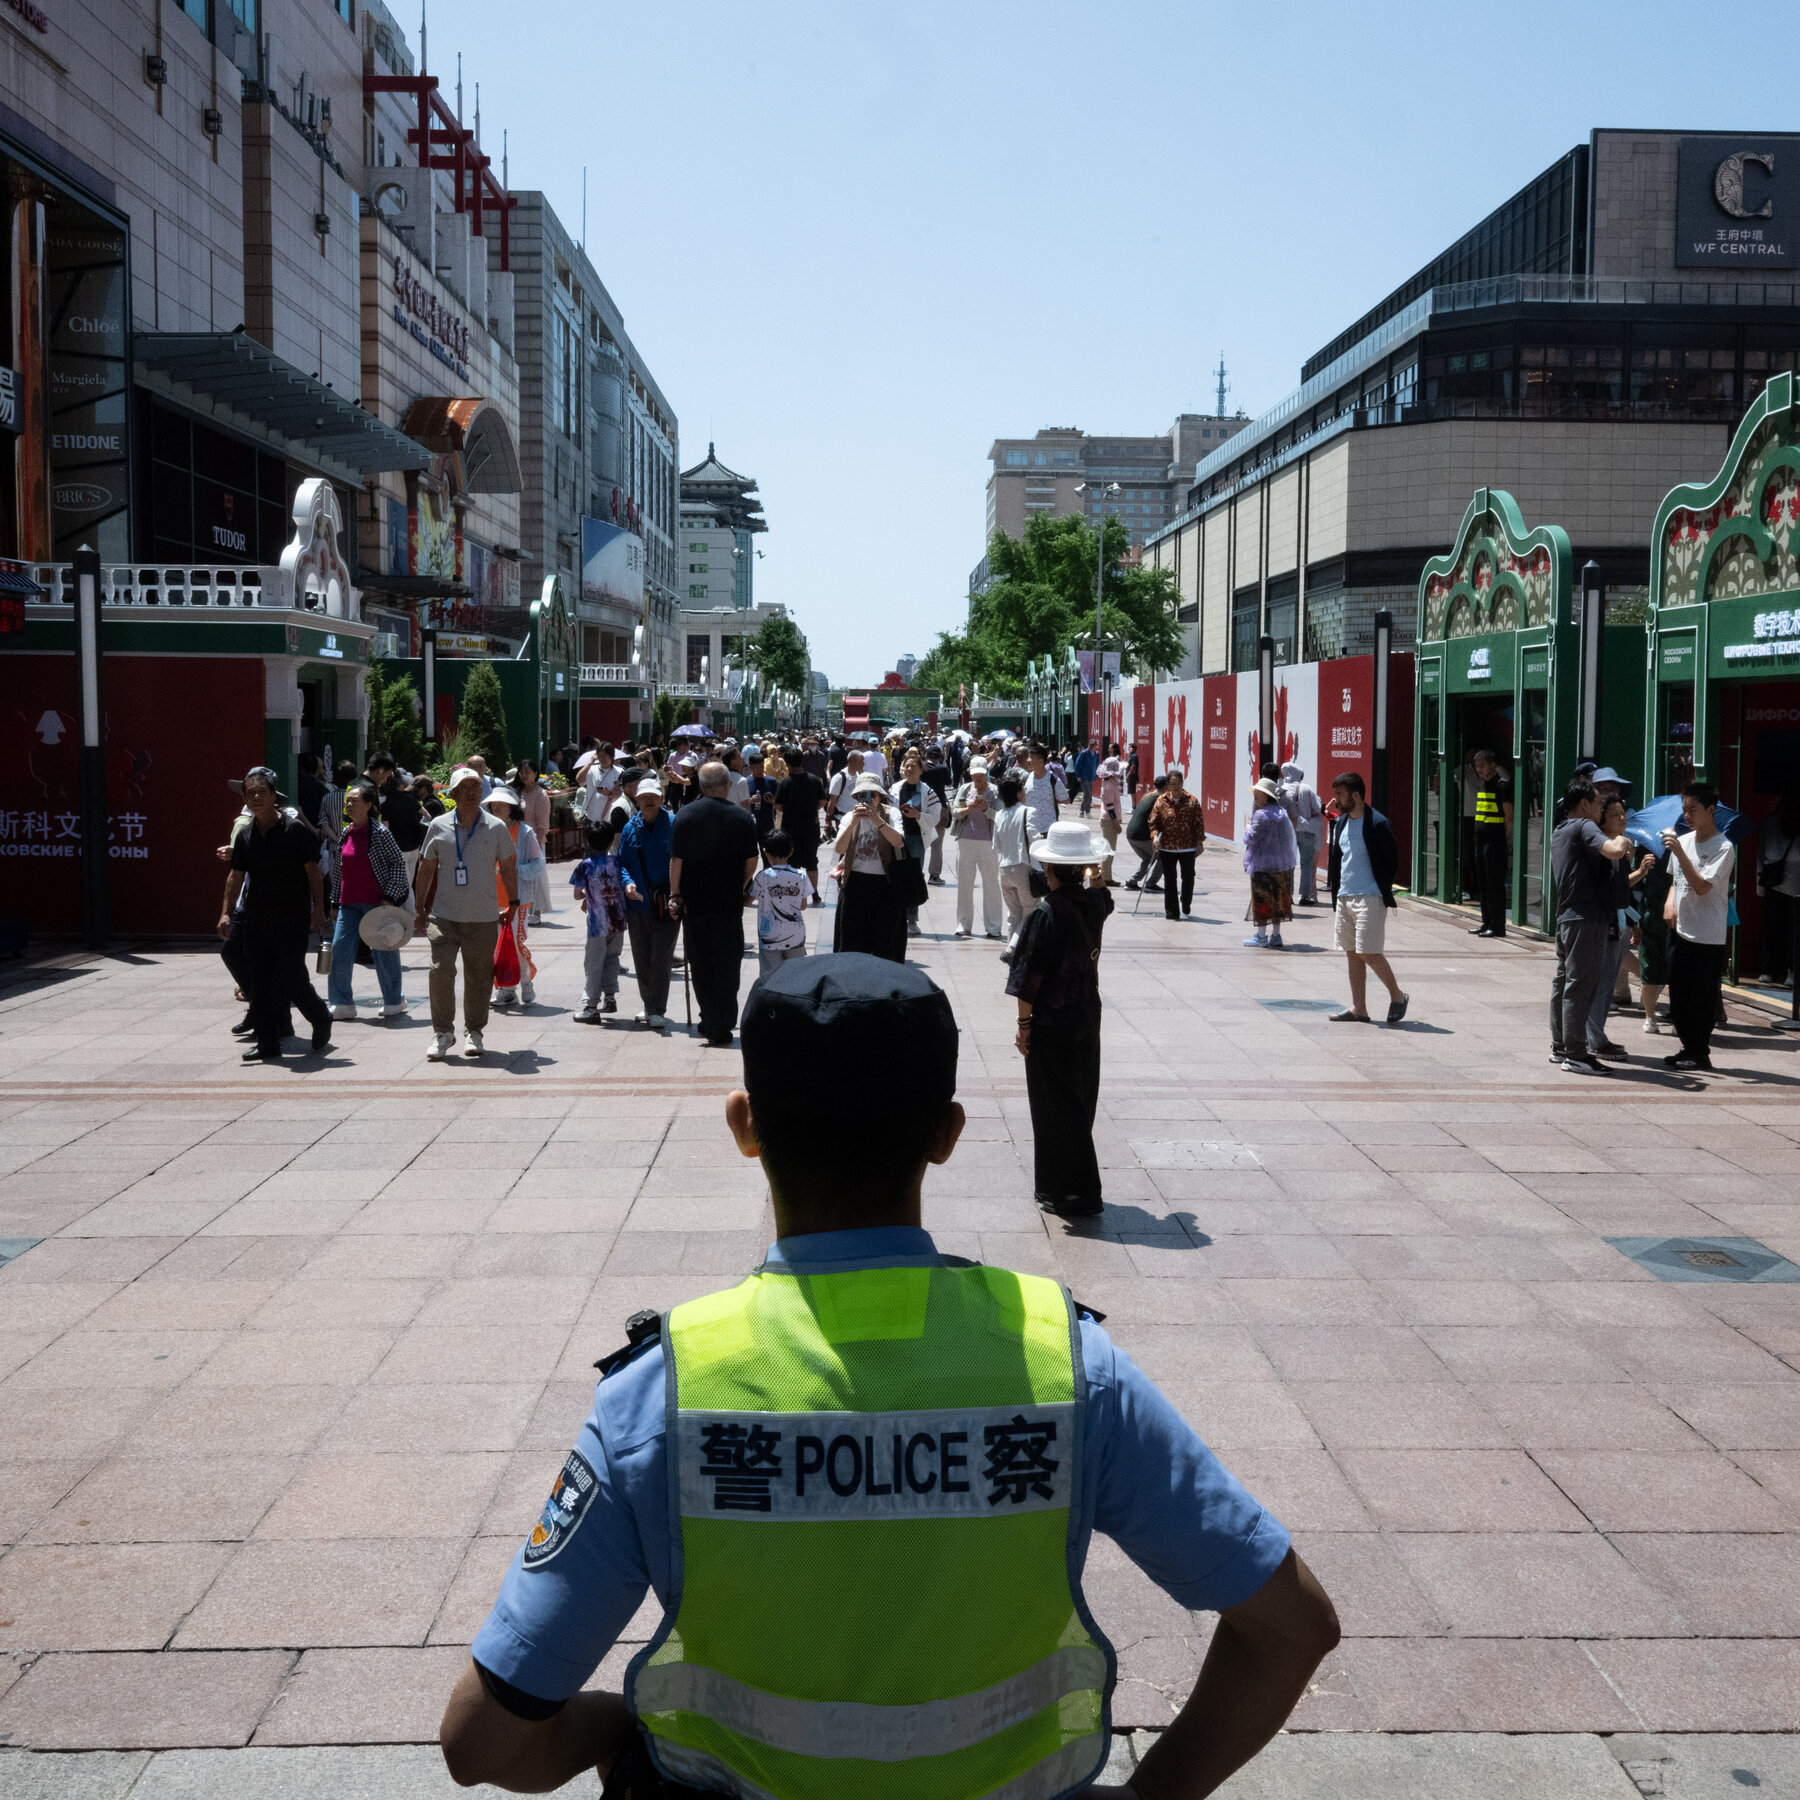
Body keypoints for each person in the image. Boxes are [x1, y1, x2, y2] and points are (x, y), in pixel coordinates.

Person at [442, 953, 1339, 1800]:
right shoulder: (1067, 1366)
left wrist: (609, 1729)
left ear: (744, 1125)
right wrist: (1153, 1794)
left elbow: (485, 1743)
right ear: (946, 1135)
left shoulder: (662, 1392)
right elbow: (1292, 1628)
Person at [1010, 819, 1114, 1219]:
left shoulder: (1045, 914)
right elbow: (1104, 894)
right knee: (1079, 1099)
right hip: (1087, 1015)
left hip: (1052, 1022)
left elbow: (1026, 980)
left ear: (1049, 869)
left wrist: (1023, 1026)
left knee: (1055, 1106)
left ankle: (1076, 1190)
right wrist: (1096, 871)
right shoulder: (1093, 904)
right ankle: (1060, 1186)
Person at [218, 766, 333, 1063]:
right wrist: (226, 913)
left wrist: (318, 910)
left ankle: (320, 1016)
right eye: (250, 793)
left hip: (292, 919)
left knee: (293, 978)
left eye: (261, 792)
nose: (255, 798)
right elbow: (236, 876)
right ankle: (268, 1043)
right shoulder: (245, 835)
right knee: (260, 981)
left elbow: (313, 874)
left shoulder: (294, 830)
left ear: (273, 797)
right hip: (257, 919)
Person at [415, 765, 519, 1062]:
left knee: (479, 977)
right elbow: (426, 867)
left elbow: (509, 865)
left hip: (483, 916)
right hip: (444, 915)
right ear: (454, 794)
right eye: (465, 788)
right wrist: (420, 907)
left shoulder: (496, 827)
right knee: (440, 970)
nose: (472, 792)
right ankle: (442, 1032)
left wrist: (513, 902)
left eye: (476, 786)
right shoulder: (438, 825)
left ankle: (474, 1031)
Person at [670, 762, 762, 1048]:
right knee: (727, 962)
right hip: (728, 903)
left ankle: (709, 1017)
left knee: (700, 962)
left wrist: (675, 893)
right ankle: (721, 1020)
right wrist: (742, 885)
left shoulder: (684, 816)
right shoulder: (742, 818)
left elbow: (676, 861)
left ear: (700, 785)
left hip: (694, 904)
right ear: (726, 785)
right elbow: (752, 860)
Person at [1547, 776, 1632, 1074]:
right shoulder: (1584, 826)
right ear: (1584, 804)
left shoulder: (1559, 830)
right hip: (1586, 920)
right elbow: (1613, 851)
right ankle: (1576, 1054)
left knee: (1563, 983)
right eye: (1597, 803)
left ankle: (1560, 1048)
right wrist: (1623, 840)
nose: (1600, 809)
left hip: (1566, 918)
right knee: (1580, 986)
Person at [1662, 780, 1736, 1072]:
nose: (1687, 815)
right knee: (1678, 998)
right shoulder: (1685, 840)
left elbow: (1703, 886)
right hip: (1680, 930)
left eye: (1693, 809)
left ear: (1711, 810)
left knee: (1701, 999)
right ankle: (1687, 1048)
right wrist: (1669, 903)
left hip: (1707, 935)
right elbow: (1674, 880)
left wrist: (1680, 853)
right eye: (1684, 810)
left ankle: (1699, 1052)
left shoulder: (1723, 847)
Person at [1327, 771, 1409, 1026]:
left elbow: (1391, 859)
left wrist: (1380, 886)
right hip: (1345, 896)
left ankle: (1398, 996)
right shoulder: (1340, 823)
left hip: (1370, 897)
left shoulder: (1377, 823)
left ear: (1356, 795)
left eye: (1340, 794)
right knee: (1352, 953)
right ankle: (1359, 1008)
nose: (1336, 799)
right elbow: (1339, 860)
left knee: (1369, 952)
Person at [326, 780, 411, 1022]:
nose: (349, 805)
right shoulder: (347, 832)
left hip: (377, 904)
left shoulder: (381, 833)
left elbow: (397, 864)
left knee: (384, 950)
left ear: (369, 805)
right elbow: (340, 871)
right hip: (349, 904)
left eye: (354, 801)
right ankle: (342, 1003)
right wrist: (334, 902)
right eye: (347, 801)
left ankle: (394, 999)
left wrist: (389, 897)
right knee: (340, 949)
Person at [1583, 795, 1656, 1061]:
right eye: (1616, 816)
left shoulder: (1621, 851)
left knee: (1607, 981)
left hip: (1621, 922)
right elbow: (1613, 889)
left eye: (1624, 814)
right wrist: (1638, 871)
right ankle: (1594, 1040)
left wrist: (1634, 922)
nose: (1623, 819)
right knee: (1600, 984)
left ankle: (1596, 1037)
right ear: (1602, 823)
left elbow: (1621, 890)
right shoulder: (1604, 850)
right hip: (1606, 924)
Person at [618, 781, 679, 1031]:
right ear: (636, 800)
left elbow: (683, 860)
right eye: (644, 797)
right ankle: (649, 1003)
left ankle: (658, 1009)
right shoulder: (630, 828)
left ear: (662, 798)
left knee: (661, 958)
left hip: (667, 904)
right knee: (642, 958)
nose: (649, 801)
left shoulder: (675, 824)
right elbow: (621, 863)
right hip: (638, 905)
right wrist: (627, 883)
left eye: (653, 796)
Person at [831, 773, 907, 962]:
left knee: (886, 946)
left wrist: (877, 821)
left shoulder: (891, 814)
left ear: (879, 796)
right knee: (851, 945)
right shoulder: (850, 817)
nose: (868, 800)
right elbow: (839, 848)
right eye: (863, 795)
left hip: (885, 885)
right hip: (855, 884)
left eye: (872, 795)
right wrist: (854, 823)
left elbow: (899, 842)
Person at [483, 787, 543, 1010]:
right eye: (493, 804)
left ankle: (526, 981)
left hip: (517, 898)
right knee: (496, 947)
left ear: (512, 807)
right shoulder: (486, 830)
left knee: (516, 944)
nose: (496, 807)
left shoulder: (525, 832)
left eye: (502, 803)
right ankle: (505, 989)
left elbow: (538, 863)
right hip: (490, 897)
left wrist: (516, 871)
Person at [570, 819, 628, 1023]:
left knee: (594, 963)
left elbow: (578, 894)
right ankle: (610, 997)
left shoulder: (585, 866)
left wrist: (589, 894)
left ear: (588, 841)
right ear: (611, 840)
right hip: (618, 920)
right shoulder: (617, 861)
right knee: (613, 959)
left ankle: (591, 1005)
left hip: (598, 924)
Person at [949, 755, 1003, 940]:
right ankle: (963, 925)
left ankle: (994, 926)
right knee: (964, 884)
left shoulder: (996, 792)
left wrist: (985, 809)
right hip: (965, 841)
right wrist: (966, 809)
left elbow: (1001, 817)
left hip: (989, 842)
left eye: (981, 775)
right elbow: (954, 812)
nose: (978, 779)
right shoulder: (964, 789)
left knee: (991, 885)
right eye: (975, 775)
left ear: (986, 773)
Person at [891, 748, 942, 939]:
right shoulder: (895, 789)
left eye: (914, 766)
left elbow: (936, 816)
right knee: (894, 873)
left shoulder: (928, 792)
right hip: (896, 837)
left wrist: (918, 815)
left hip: (916, 838)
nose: (909, 769)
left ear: (921, 770)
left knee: (913, 876)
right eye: (907, 766)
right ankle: (896, 915)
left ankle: (912, 919)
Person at [1242, 777, 1297, 949]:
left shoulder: (1261, 814)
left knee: (1262, 899)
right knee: (1278, 900)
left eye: (1258, 794)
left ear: (1266, 796)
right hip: (1281, 864)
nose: (1255, 797)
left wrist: (1247, 829)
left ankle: (1261, 936)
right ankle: (1276, 935)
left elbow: (1252, 838)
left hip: (1262, 864)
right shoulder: (1282, 813)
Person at [750, 830, 814, 977]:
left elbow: (750, 899)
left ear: (765, 852)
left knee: (770, 977)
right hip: (795, 936)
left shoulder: (763, 876)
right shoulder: (800, 875)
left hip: (769, 936)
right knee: (795, 976)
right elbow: (803, 905)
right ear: (791, 852)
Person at [1755, 781, 1800, 987]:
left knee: (1772, 928)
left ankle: (1767, 970)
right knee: (1794, 930)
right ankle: (1792, 971)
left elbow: (1762, 853)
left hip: (1774, 879)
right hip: (1796, 881)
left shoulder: (1770, 821)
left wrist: (1759, 884)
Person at [1149, 767, 1206, 920]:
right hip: (1168, 847)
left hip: (1187, 846)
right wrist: (1155, 837)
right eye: (1172, 784)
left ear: (1182, 783)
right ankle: (1172, 911)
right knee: (1170, 879)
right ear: (1167, 785)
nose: (1176, 787)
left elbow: (1198, 823)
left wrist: (1199, 842)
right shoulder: (1161, 801)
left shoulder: (1192, 800)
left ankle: (1186, 902)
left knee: (1188, 877)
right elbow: (1153, 822)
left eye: (1178, 783)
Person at [992, 770, 1037, 958]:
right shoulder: (1028, 812)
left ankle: (1014, 957)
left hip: (1004, 869)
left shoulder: (1000, 815)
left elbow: (996, 846)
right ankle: (1011, 949)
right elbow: (1034, 839)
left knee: (1014, 915)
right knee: (1030, 913)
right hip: (1023, 867)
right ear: (1019, 793)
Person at [1469, 750, 1514, 938]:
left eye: (1482, 765)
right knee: (1483, 885)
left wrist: (1502, 840)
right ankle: (1486, 922)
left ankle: (1497, 926)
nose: (1479, 769)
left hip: (1494, 842)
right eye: (1477, 766)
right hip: (1481, 840)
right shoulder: (1483, 785)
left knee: (1495, 886)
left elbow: (1509, 817)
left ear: (1492, 765)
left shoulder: (1502, 786)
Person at [368, 752, 427, 888]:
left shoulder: (386, 806)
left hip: (398, 850)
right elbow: (427, 816)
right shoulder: (410, 799)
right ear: (400, 786)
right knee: (409, 883)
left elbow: (385, 829)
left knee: (403, 887)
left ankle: (412, 910)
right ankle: (409, 909)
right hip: (414, 847)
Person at [772, 751, 825, 896]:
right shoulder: (814, 780)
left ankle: (795, 891)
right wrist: (812, 809)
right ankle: (814, 893)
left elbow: (778, 805)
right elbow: (822, 801)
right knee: (812, 861)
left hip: (791, 827)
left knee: (792, 861)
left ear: (787, 764)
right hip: (811, 826)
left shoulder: (786, 782)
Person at [1278, 762, 1324, 906]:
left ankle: (1288, 895)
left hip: (1288, 833)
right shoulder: (1306, 788)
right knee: (1306, 864)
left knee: (1289, 864)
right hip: (1307, 832)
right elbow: (1317, 808)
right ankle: (1305, 895)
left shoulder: (1280, 789)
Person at [514, 761, 554, 923]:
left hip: (534, 841)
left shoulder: (540, 795)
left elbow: (542, 824)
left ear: (536, 774)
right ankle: (522, 908)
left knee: (536, 876)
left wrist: (536, 846)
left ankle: (536, 911)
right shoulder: (516, 792)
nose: (524, 775)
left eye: (527, 772)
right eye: (521, 772)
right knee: (520, 876)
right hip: (517, 840)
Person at [1122, 774, 1167, 893]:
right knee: (1163, 856)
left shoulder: (1148, 794)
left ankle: (1132, 881)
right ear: (1166, 786)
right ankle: (1151, 884)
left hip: (1131, 833)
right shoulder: (1160, 798)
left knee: (1148, 857)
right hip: (1142, 835)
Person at [920, 741, 953, 883]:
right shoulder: (943, 768)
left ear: (926, 755)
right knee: (937, 844)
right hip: (940, 807)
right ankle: (934, 875)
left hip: (922, 808)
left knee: (919, 843)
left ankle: (917, 874)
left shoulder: (921, 768)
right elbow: (949, 783)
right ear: (940, 756)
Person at [1020, 743, 1066, 837]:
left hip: (1048, 830)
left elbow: (1065, 799)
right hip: (1030, 829)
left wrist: (1047, 801)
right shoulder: (1028, 777)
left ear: (1041, 761)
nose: (1028, 760)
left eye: (1031, 757)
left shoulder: (1053, 779)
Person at [1096, 741, 1126, 884]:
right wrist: (1117, 824)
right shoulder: (1109, 785)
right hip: (1109, 820)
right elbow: (1109, 806)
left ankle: (1106, 876)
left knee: (1110, 849)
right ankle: (1106, 878)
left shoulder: (1110, 783)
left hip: (1109, 819)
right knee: (1109, 850)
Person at [744, 745, 780, 844]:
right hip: (751, 823)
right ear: (750, 766)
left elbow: (780, 802)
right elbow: (740, 803)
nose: (759, 770)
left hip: (767, 824)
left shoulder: (771, 781)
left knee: (767, 853)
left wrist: (773, 801)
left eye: (761, 767)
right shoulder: (746, 782)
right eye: (756, 767)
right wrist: (750, 800)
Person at [1072, 738, 1100, 818]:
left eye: (1093, 745)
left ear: (1096, 746)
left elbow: (1097, 764)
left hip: (1091, 776)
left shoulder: (1096, 754)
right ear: (1089, 745)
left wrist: (1096, 774)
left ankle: (1081, 811)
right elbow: (1077, 764)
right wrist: (1078, 775)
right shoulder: (1084, 753)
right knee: (1087, 794)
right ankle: (1088, 811)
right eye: (1091, 745)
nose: (1092, 746)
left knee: (1088, 794)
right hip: (1084, 776)